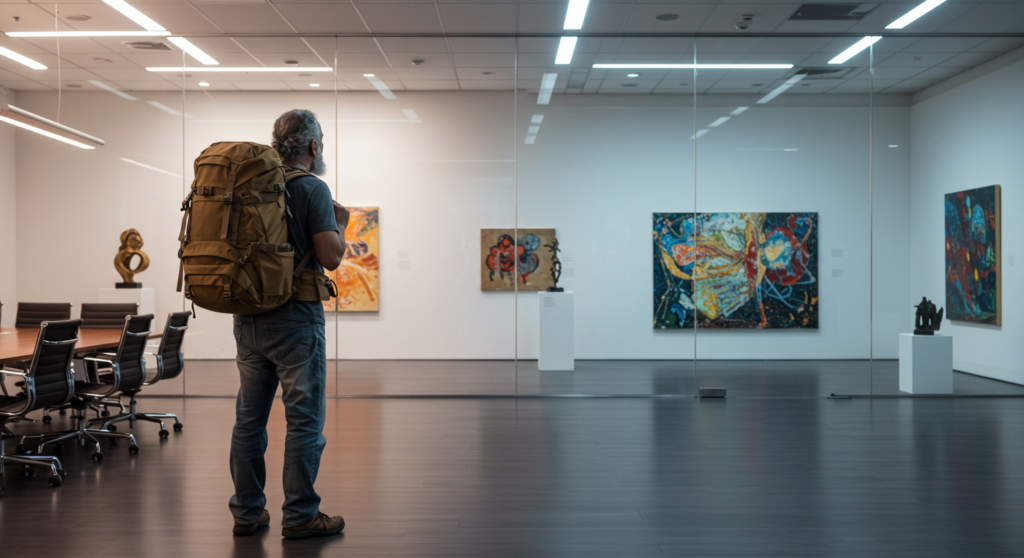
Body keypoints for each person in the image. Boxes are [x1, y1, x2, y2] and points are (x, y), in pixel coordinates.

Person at [229, 109, 350, 540]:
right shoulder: (311, 188)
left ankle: (247, 513)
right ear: (313, 147)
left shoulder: (251, 186)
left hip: (248, 318)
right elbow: (331, 257)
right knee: (303, 421)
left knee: (249, 419)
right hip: (296, 320)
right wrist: (340, 222)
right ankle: (299, 515)